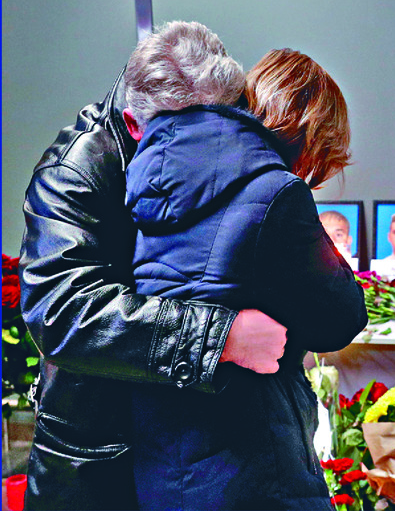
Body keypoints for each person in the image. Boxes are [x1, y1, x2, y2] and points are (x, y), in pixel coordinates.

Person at [18, 23, 289, 509]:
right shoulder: (73, 171)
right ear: (134, 124)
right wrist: (220, 337)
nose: (208, 144)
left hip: (197, 447)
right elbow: (61, 313)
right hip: (97, 463)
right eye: (186, 133)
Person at [123, 33, 367, 509]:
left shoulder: (148, 175)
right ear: (313, 139)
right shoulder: (275, 193)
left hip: (166, 460)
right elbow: (341, 319)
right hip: (253, 462)